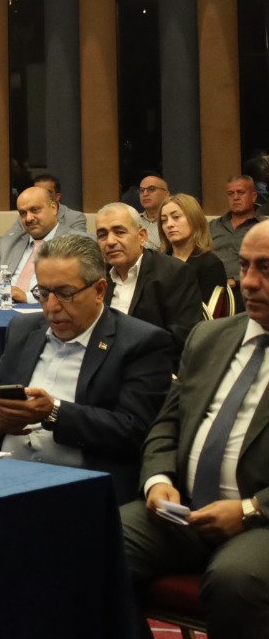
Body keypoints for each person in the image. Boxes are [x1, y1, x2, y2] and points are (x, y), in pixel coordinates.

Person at [120, 220, 269, 639]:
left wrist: (250, 510)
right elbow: (168, 422)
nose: (248, 282)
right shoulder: (209, 336)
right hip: (183, 511)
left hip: (261, 520)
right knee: (92, 539)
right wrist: (158, 480)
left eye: (266, 268)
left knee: (235, 579)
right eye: (244, 265)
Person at [0, 233, 172, 502]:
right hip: (4, 479)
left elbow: (135, 431)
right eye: (43, 293)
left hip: (81, 488)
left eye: (65, 294)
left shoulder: (140, 342)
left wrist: (54, 412)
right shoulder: (24, 329)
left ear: (99, 290)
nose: (51, 307)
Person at [96, 202, 203, 361]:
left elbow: (182, 338)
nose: (110, 241)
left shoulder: (174, 273)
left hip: (151, 365)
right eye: (102, 235)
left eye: (120, 232)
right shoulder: (96, 277)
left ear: (142, 237)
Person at [0, 184, 67, 303]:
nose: (28, 218)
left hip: (44, 310)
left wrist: (26, 297)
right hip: (4, 307)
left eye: (35, 210)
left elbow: (71, 290)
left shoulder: (76, 243)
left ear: (53, 208)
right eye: (23, 213)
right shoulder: (10, 243)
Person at [161, 193, 231, 312]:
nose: (169, 224)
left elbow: (205, 315)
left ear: (194, 220)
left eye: (176, 217)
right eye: (164, 220)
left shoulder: (210, 264)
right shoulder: (157, 261)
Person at [211, 174, 266, 285]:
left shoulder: (264, 227)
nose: (235, 198)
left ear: (254, 196)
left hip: (249, 287)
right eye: (231, 194)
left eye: (241, 192)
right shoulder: (213, 226)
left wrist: (236, 280)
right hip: (212, 288)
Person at [137, 174, 170, 251]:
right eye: (141, 190)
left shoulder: (172, 222)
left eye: (151, 189)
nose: (145, 194)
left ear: (166, 194)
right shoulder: (133, 220)